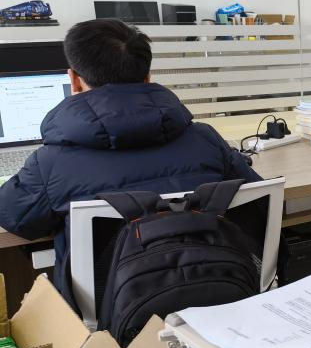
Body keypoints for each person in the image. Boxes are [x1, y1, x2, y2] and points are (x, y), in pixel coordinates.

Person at [0, 18, 261, 305]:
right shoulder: (206, 139)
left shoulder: (51, 163)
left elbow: (14, 218)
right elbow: (256, 199)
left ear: (73, 80)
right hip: (218, 295)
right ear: (147, 77)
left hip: (111, 314)